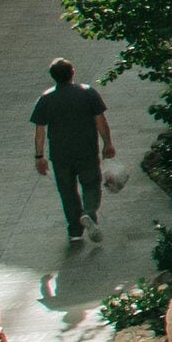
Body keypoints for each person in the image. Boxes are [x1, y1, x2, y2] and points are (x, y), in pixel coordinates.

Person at [28, 56, 115, 248]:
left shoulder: (46, 99)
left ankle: (75, 231)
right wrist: (107, 143)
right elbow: (100, 120)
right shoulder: (88, 93)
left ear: (53, 77)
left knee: (67, 192)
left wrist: (39, 156)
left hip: (60, 156)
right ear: (72, 72)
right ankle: (88, 213)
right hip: (86, 151)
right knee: (91, 185)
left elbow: (40, 131)